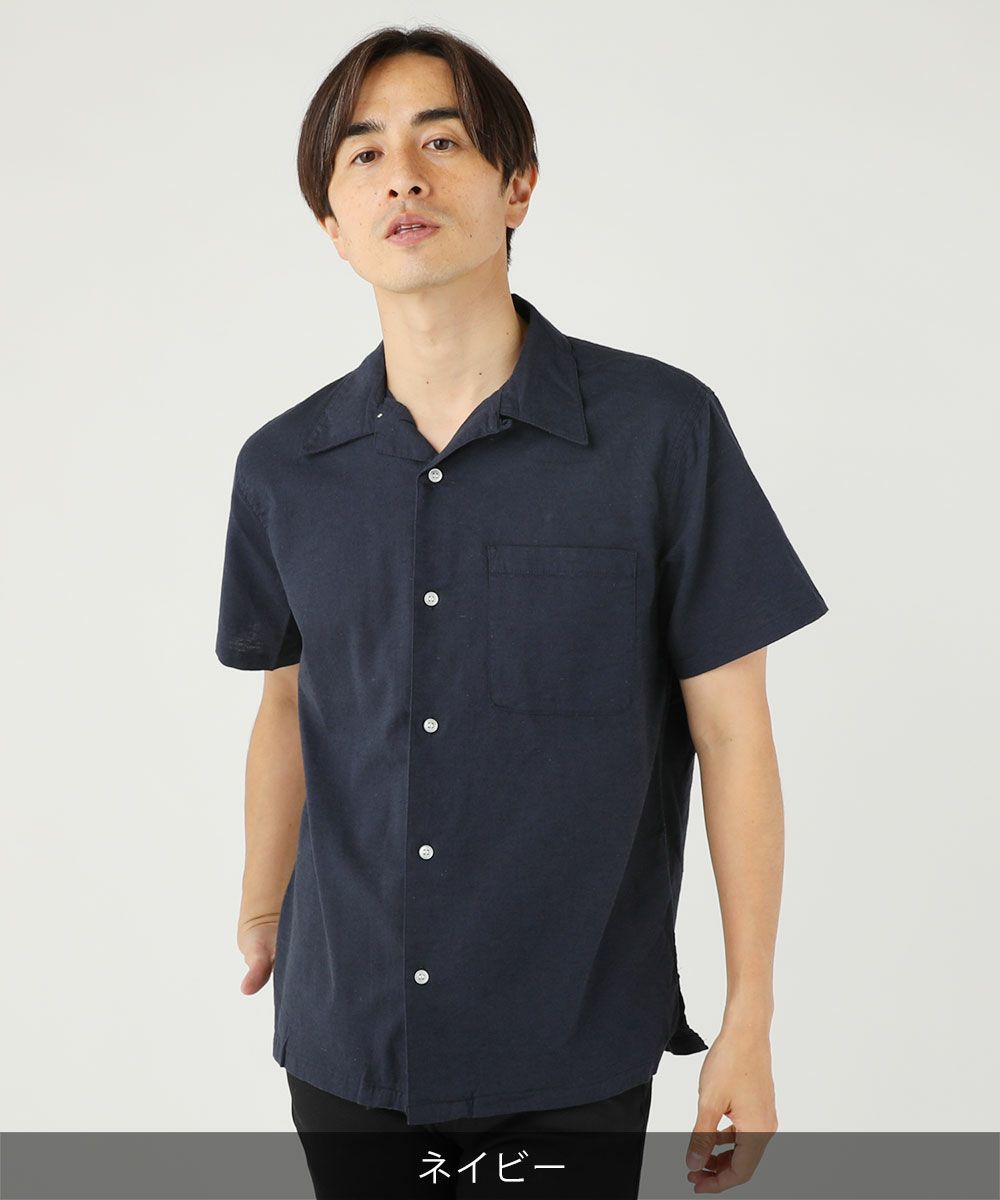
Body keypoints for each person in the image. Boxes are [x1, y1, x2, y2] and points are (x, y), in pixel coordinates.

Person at [214, 24, 829, 1200]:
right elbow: (287, 702)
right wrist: (258, 903)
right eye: (364, 155)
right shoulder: (284, 467)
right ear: (333, 225)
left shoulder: (659, 433)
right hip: (346, 1042)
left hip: (571, 1045)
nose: (403, 176)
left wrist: (748, 1018)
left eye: (441, 142)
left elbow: (734, 735)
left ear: (518, 187)